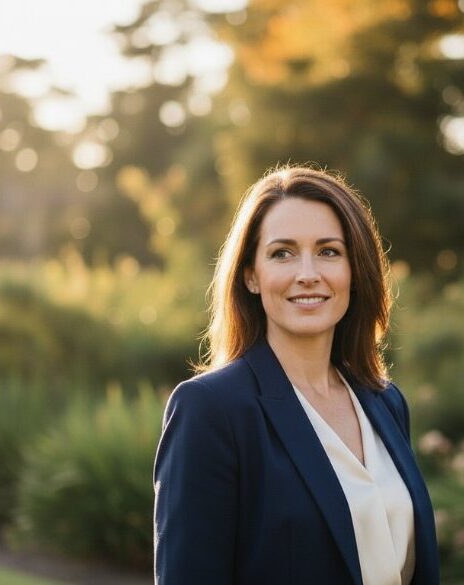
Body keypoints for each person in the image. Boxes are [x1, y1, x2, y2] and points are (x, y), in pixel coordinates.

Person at [153, 165, 440, 585]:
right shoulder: (211, 409)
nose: (308, 273)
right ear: (251, 275)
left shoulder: (385, 402)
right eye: (282, 253)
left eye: (328, 251)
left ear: (354, 271)